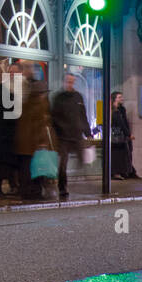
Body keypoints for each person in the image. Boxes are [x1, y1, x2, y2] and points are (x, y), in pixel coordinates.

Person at [13, 64, 54, 200]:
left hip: (23, 145)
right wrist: (42, 143)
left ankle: (25, 191)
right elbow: (40, 126)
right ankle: (34, 192)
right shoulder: (40, 106)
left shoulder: (25, 104)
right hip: (34, 145)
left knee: (25, 170)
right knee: (36, 170)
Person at [51, 72, 91, 201]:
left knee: (81, 160)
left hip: (76, 135)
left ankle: (78, 183)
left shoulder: (78, 97)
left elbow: (83, 115)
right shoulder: (59, 98)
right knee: (62, 164)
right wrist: (59, 130)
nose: (70, 84)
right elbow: (54, 117)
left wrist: (88, 132)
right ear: (64, 82)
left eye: (72, 81)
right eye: (68, 81)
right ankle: (63, 187)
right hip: (63, 136)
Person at [0, 57, 19, 198]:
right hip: (3, 131)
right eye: (10, 72)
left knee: (9, 161)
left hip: (12, 131)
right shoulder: (3, 88)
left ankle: (11, 186)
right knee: (3, 161)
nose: (12, 75)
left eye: (14, 73)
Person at [110, 92, 139, 179]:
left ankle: (127, 172)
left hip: (120, 136)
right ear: (114, 99)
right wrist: (129, 134)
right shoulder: (114, 111)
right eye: (119, 97)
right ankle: (119, 173)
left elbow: (124, 123)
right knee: (119, 155)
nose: (121, 99)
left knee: (126, 153)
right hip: (117, 137)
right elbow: (121, 124)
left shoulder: (121, 109)